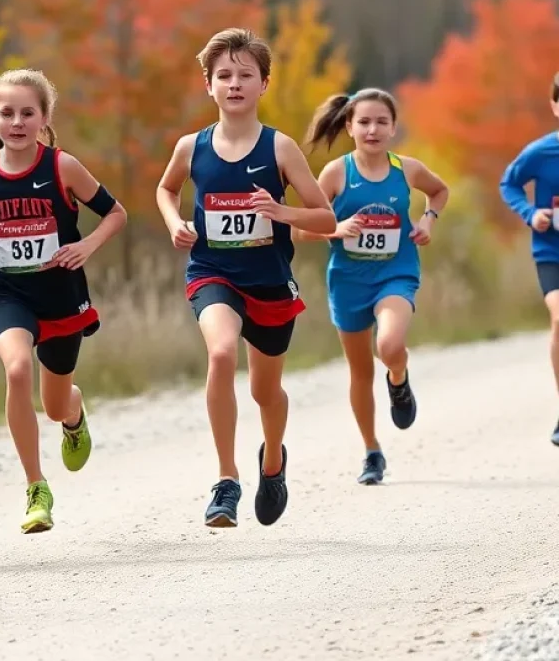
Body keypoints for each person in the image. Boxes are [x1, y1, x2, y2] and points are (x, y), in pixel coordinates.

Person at [156, 27, 336, 529]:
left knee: (265, 392)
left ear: (264, 85)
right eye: (224, 75)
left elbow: (324, 218)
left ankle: (272, 460)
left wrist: (281, 211)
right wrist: (176, 224)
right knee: (220, 352)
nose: (234, 84)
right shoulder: (192, 147)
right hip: (213, 272)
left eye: (245, 75)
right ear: (208, 86)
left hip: (271, 283)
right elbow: (165, 190)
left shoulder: (281, 149)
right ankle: (227, 480)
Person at [0, 69, 127, 534]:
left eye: (27, 112)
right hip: (7, 293)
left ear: (44, 118)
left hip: (60, 295)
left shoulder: (61, 167)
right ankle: (36, 486)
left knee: (53, 404)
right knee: (16, 369)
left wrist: (86, 246)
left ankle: (73, 414)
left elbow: (116, 213)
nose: (16, 121)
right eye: (6, 112)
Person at [298, 89, 448, 485]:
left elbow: (440, 190)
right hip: (347, 281)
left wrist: (428, 220)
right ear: (349, 126)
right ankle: (371, 451)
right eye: (364, 121)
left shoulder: (406, 170)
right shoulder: (335, 174)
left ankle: (398, 379)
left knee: (390, 346)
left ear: (393, 127)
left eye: (382, 121)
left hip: (395, 274)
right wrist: (334, 227)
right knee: (360, 371)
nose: (373, 129)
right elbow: (299, 227)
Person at [500, 72, 559, 445]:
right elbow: (508, 183)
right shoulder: (541, 152)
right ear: (555, 105)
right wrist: (530, 213)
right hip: (552, 251)